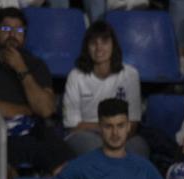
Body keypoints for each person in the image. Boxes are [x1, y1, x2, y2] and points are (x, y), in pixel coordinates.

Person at [0, 7, 71, 174]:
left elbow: (45, 110)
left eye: (19, 29)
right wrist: (29, 110)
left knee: (65, 161)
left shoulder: (36, 65)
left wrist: (21, 69)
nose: (12, 34)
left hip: (33, 131)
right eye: (6, 28)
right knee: (4, 161)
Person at [62, 20, 147, 158]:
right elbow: (73, 126)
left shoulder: (130, 74)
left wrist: (114, 135)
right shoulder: (75, 76)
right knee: (96, 148)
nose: (99, 48)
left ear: (113, 45)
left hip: (121, 134)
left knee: (139, 147)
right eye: (93, 43)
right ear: (87, 48)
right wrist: (108, 130)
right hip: (86, 136)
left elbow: (133, 122)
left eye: (104, 42)